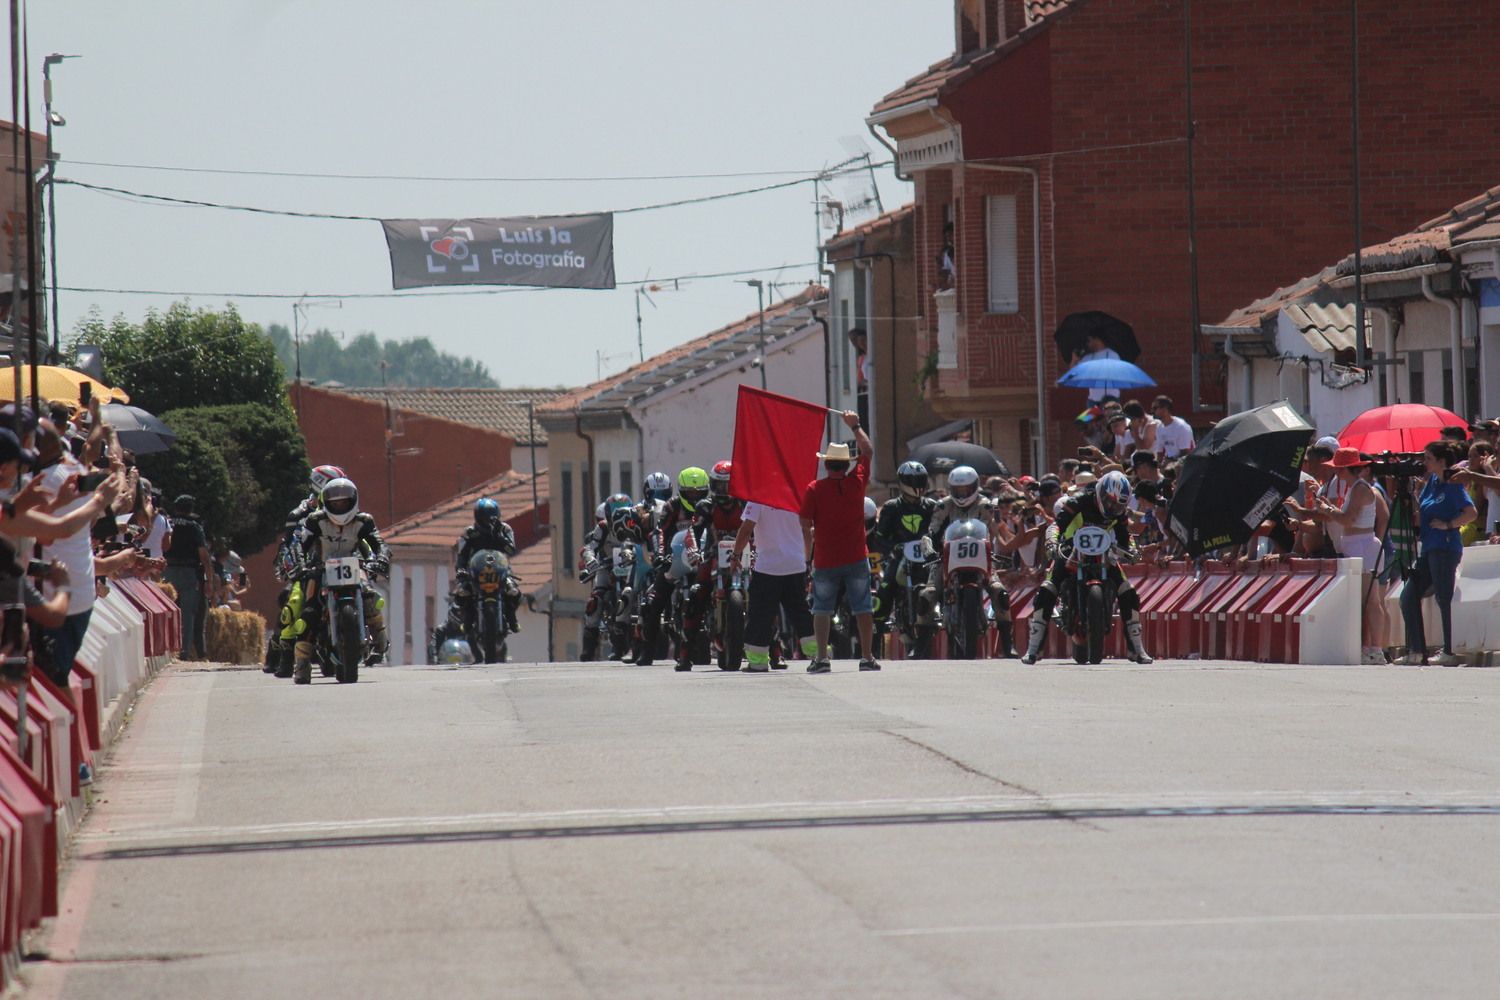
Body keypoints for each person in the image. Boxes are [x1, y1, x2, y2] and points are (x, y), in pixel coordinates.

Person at [1021, 470, 1153, 665]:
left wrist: (1134, 552)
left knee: (1129, 591)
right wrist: (1052, 542)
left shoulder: (1119, 513)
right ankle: (1034, 649)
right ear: (1100, 494)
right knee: (1047, 588)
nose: (1112, 507)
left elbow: (1126, 537)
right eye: (1109, 502)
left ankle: (1136, 648)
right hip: (1071, 548)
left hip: (1103, 552)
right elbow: (1056, 525)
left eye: (1118, 505)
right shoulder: (1078, 502)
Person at [799, 411, 879, 673]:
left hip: (825, 558)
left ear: (826, 464)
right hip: (856, 556)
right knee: (863, 608)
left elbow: (805, 522)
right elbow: (867, 450)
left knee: (821, 609)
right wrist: (855, 424)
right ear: (846, 465)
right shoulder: (857, 483)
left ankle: (822, 658)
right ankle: (867, 657)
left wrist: (808, 552)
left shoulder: (814, 489)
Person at [291, 478, 390, 684]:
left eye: (343, 502)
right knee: (309, 611)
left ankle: (380, 637)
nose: (339, 506)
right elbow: (301, 545)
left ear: (353, 500)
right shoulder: (315, 520)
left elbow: (379, 543)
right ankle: (301, 663)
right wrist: (301, 564)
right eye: (335, 503)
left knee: (370, 595)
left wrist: (381, 559)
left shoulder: (364, 521)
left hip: (354, 565)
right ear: (326, 503)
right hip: (321, 567)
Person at [1306, 449, 1389, 664]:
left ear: (1344, 469)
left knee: (1370, 600)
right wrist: (1329, 507)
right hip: (1357, 546)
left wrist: (1326, 509)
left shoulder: (1360, 488)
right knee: (1365, 601)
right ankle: (1370, 648)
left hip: (1361, 547)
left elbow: (1348, 519)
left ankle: (1375, 649)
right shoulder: (1356, 488)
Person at [1399, 441, 1476, 666]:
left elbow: (1471, 512)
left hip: (1445, 547)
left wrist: (1449, 524)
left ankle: (1449, 650)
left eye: (1429, 458)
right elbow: (1421, 513)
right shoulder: (1431, 482)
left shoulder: (1453, 483)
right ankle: (1416, 649)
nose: (1425, 462)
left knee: (1444, 598)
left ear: (1442, 461)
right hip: (1429, 547)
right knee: (1408, 596)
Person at [635, 469, 709, 666]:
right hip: (675, 559)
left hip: (702, 560)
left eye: (698, 493)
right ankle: (647, 650)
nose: (694, 497)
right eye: (689, 493)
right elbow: (660, 532)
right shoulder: (672, 507)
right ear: (681, 491)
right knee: (654, 601)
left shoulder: (709, 507)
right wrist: (660, 555)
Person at [732, 499, 816, 673]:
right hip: (795, 565)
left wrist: (735, 555)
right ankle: (819, 655)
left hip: (767, 568)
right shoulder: (797, 497)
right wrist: (807, 559)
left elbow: (746, 529)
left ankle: (758, 661)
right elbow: (806, 531)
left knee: (761, 615)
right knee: (800, 611)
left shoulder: (758, 500)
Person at [874, 461, 940, 643]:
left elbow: (940, 532)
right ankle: (875, 634)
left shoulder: (932, 506)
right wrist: (893, 548)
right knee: (885, 591)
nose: (917, 484)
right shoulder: (891, 507)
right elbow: (880, 537)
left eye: (920, 480)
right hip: (900, 557)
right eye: (913, 480)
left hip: (927, 558)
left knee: (944, 585)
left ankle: (953, 621)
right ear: (903, 481)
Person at [454, 498, 521, 634]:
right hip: (476, 571)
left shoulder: (505, 529)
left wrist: (499, 536)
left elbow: (511, 550)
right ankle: (468, 620)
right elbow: (462, 554)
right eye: (485, 518)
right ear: (478, 517)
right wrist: (461, 570)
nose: (488, 522)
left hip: (501, 570)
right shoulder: (470, 533)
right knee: (462, 593)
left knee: (513, 591)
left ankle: (512, 619)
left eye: (492, 518)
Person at [163, 495, 215, 660]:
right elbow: (204, 556)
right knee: (187, 615)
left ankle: (166, 650)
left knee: (166, 611)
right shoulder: (194, 526)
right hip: (188, 573)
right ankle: (183, 652)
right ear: (191, 509)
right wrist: (209, 580)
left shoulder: (167, 522)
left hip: (167, 571)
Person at [1151, 395, 1195, 459]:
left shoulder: (1181, 427)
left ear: (1165, 408)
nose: (1152, 412)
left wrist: (1170, 461)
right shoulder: (1159, 428)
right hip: (1169, 463)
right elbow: (1159, 452)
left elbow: (1186, 453)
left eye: (1155, 408)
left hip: (1186, 463)